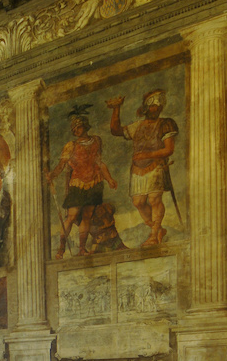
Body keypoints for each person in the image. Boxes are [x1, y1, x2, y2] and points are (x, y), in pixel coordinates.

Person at [107, 89, 179, 246]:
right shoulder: (137, 126)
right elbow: (115, 130)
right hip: (137, 169)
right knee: (138, 202)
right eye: (153, 106)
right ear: (146, 108)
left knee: (154, 199)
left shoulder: (166, 124)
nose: (156, 109)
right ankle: (158, 229)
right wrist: (116, 109)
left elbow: (169, 149)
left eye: (159, 107)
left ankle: (154, 235)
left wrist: (147, 155)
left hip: (156, 165)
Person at [47, 110, 117, 258]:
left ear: (85, 126)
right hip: (78, 184)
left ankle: (82, 249)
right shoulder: (70, 146)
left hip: (94, 183)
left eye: (78, 127)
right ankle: (61, 248)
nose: (75, 130)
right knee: (71, 216)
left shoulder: (96, 141)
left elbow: (99, 162)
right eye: (73, 128)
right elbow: (61, 165)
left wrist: (109, 179)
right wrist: (52, 175)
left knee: (87, 216)